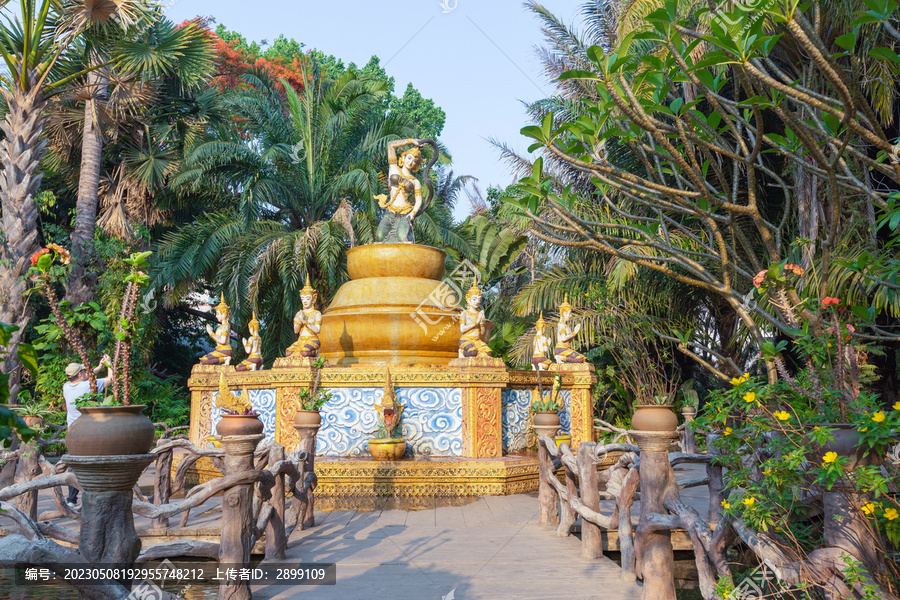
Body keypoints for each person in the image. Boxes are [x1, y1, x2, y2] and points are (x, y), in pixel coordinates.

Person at [63, 355, 111, 507]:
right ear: (79, 374)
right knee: (94, 464)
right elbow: (112, 380)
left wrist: (99, 367)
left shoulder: (66, 386)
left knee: (74, 465)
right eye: (83, 371)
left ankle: (71, 500)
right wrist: (109, 365)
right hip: (88, 432)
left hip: (72, 433)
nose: (86, 373)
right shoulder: (88, 386)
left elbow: (86, 377)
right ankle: (96, 496)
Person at [374, 138, 425, 244]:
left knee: (402, 238)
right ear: (404, 157)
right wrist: (411, 141)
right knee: (379, 237)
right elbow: (390, 145)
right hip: (391, 211)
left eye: (414, 161)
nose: (410, 162)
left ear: (416, 164)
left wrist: (413, 214)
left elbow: (419, 200)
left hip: (405, 213)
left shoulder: (415, 181)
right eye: (409, 158)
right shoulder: (393, 168)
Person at [286, 276, 322, 357]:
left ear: (313, 299)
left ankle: (313, 353)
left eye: (308, 298)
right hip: (300, 341)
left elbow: (317, 330)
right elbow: (296, 331)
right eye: (303, 298)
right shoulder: (299, 314)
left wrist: (304, 321)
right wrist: (299, 321)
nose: (305, 301)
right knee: (288, 352)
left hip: (312, 340)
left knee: (305, 352)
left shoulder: (317, 313)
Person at [458, 281, 493, 358]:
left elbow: (482, 333)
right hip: (466, 339)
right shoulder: (465, 313)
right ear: (468, 299)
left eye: (479, 300)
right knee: (473, 353)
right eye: (474, 299)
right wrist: (476, 322)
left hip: (477, 341)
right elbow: (462, 329)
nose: (477, 302)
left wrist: (482, 322)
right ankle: (461, 351)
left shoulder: (479, 314)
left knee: (488, 353)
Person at [554, 297, 586, 364]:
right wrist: (574, 333)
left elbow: (568, 340)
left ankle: (561, 357)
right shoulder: (562, 325)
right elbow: (563, 339)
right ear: (564, 313)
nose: (570, 315)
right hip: (561, 349)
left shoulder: (564, 325)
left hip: (565, 348)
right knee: (581, 359)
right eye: (569, 313)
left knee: (582, 358)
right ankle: (560, 357)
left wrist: (574, 333)